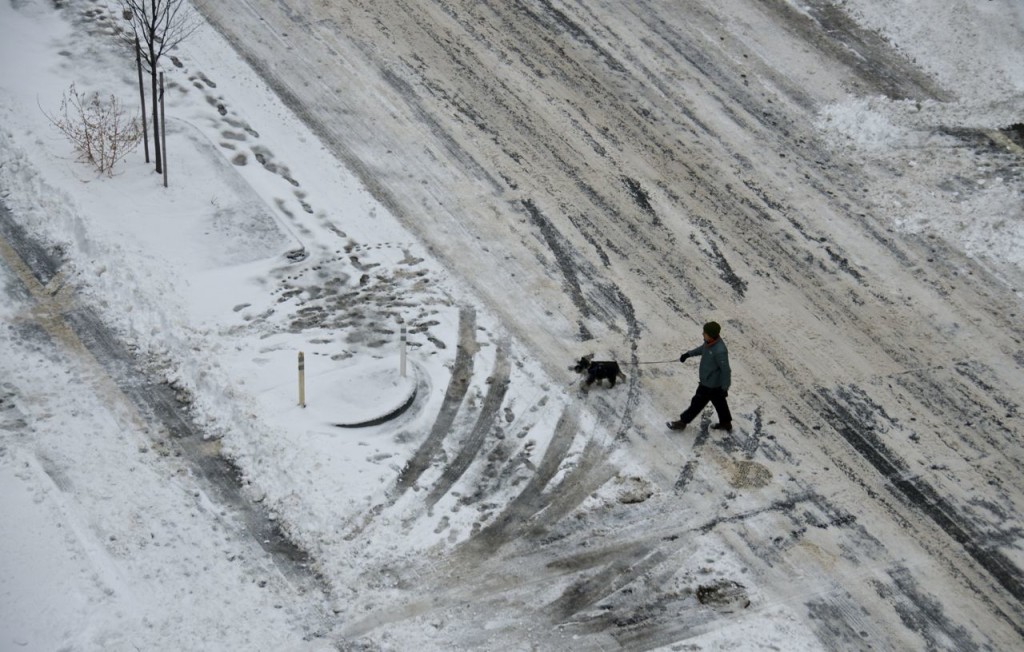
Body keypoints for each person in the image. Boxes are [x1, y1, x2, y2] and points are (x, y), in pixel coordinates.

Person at [667, 321, 732, 432]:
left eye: (705, 333)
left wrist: (724, 388)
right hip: (710, 383)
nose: (702, 334)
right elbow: (701, 349)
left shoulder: (719, 350)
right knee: (720, 403)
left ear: (711, 335)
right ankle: (726, 423)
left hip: (710, 385)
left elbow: (726, 371)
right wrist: (687, 355)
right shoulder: (709, 343)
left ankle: (682, 422)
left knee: (697, 403)